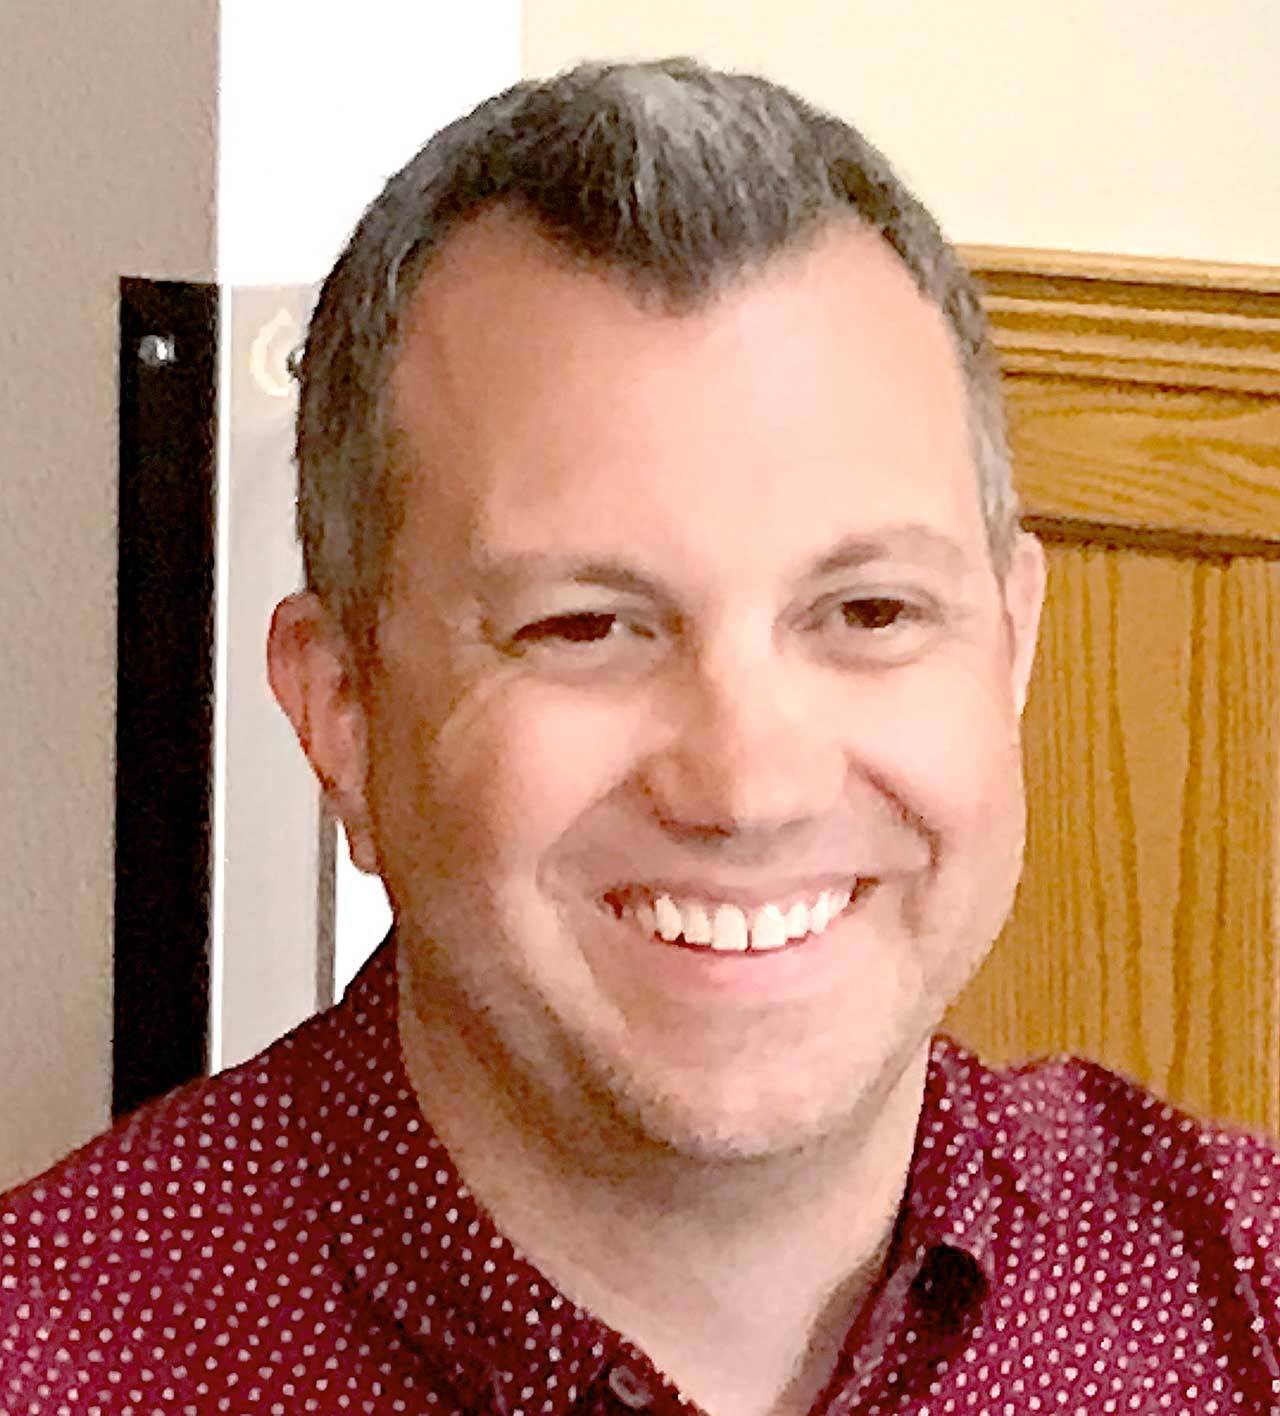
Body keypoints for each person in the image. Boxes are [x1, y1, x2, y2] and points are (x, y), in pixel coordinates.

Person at [3, 58, 1279, 1416]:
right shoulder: (56, 1367)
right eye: (586, 627)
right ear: (342, 713)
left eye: (869, 611)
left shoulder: (1244, 1304)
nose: (748, 784)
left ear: (1010, 651)